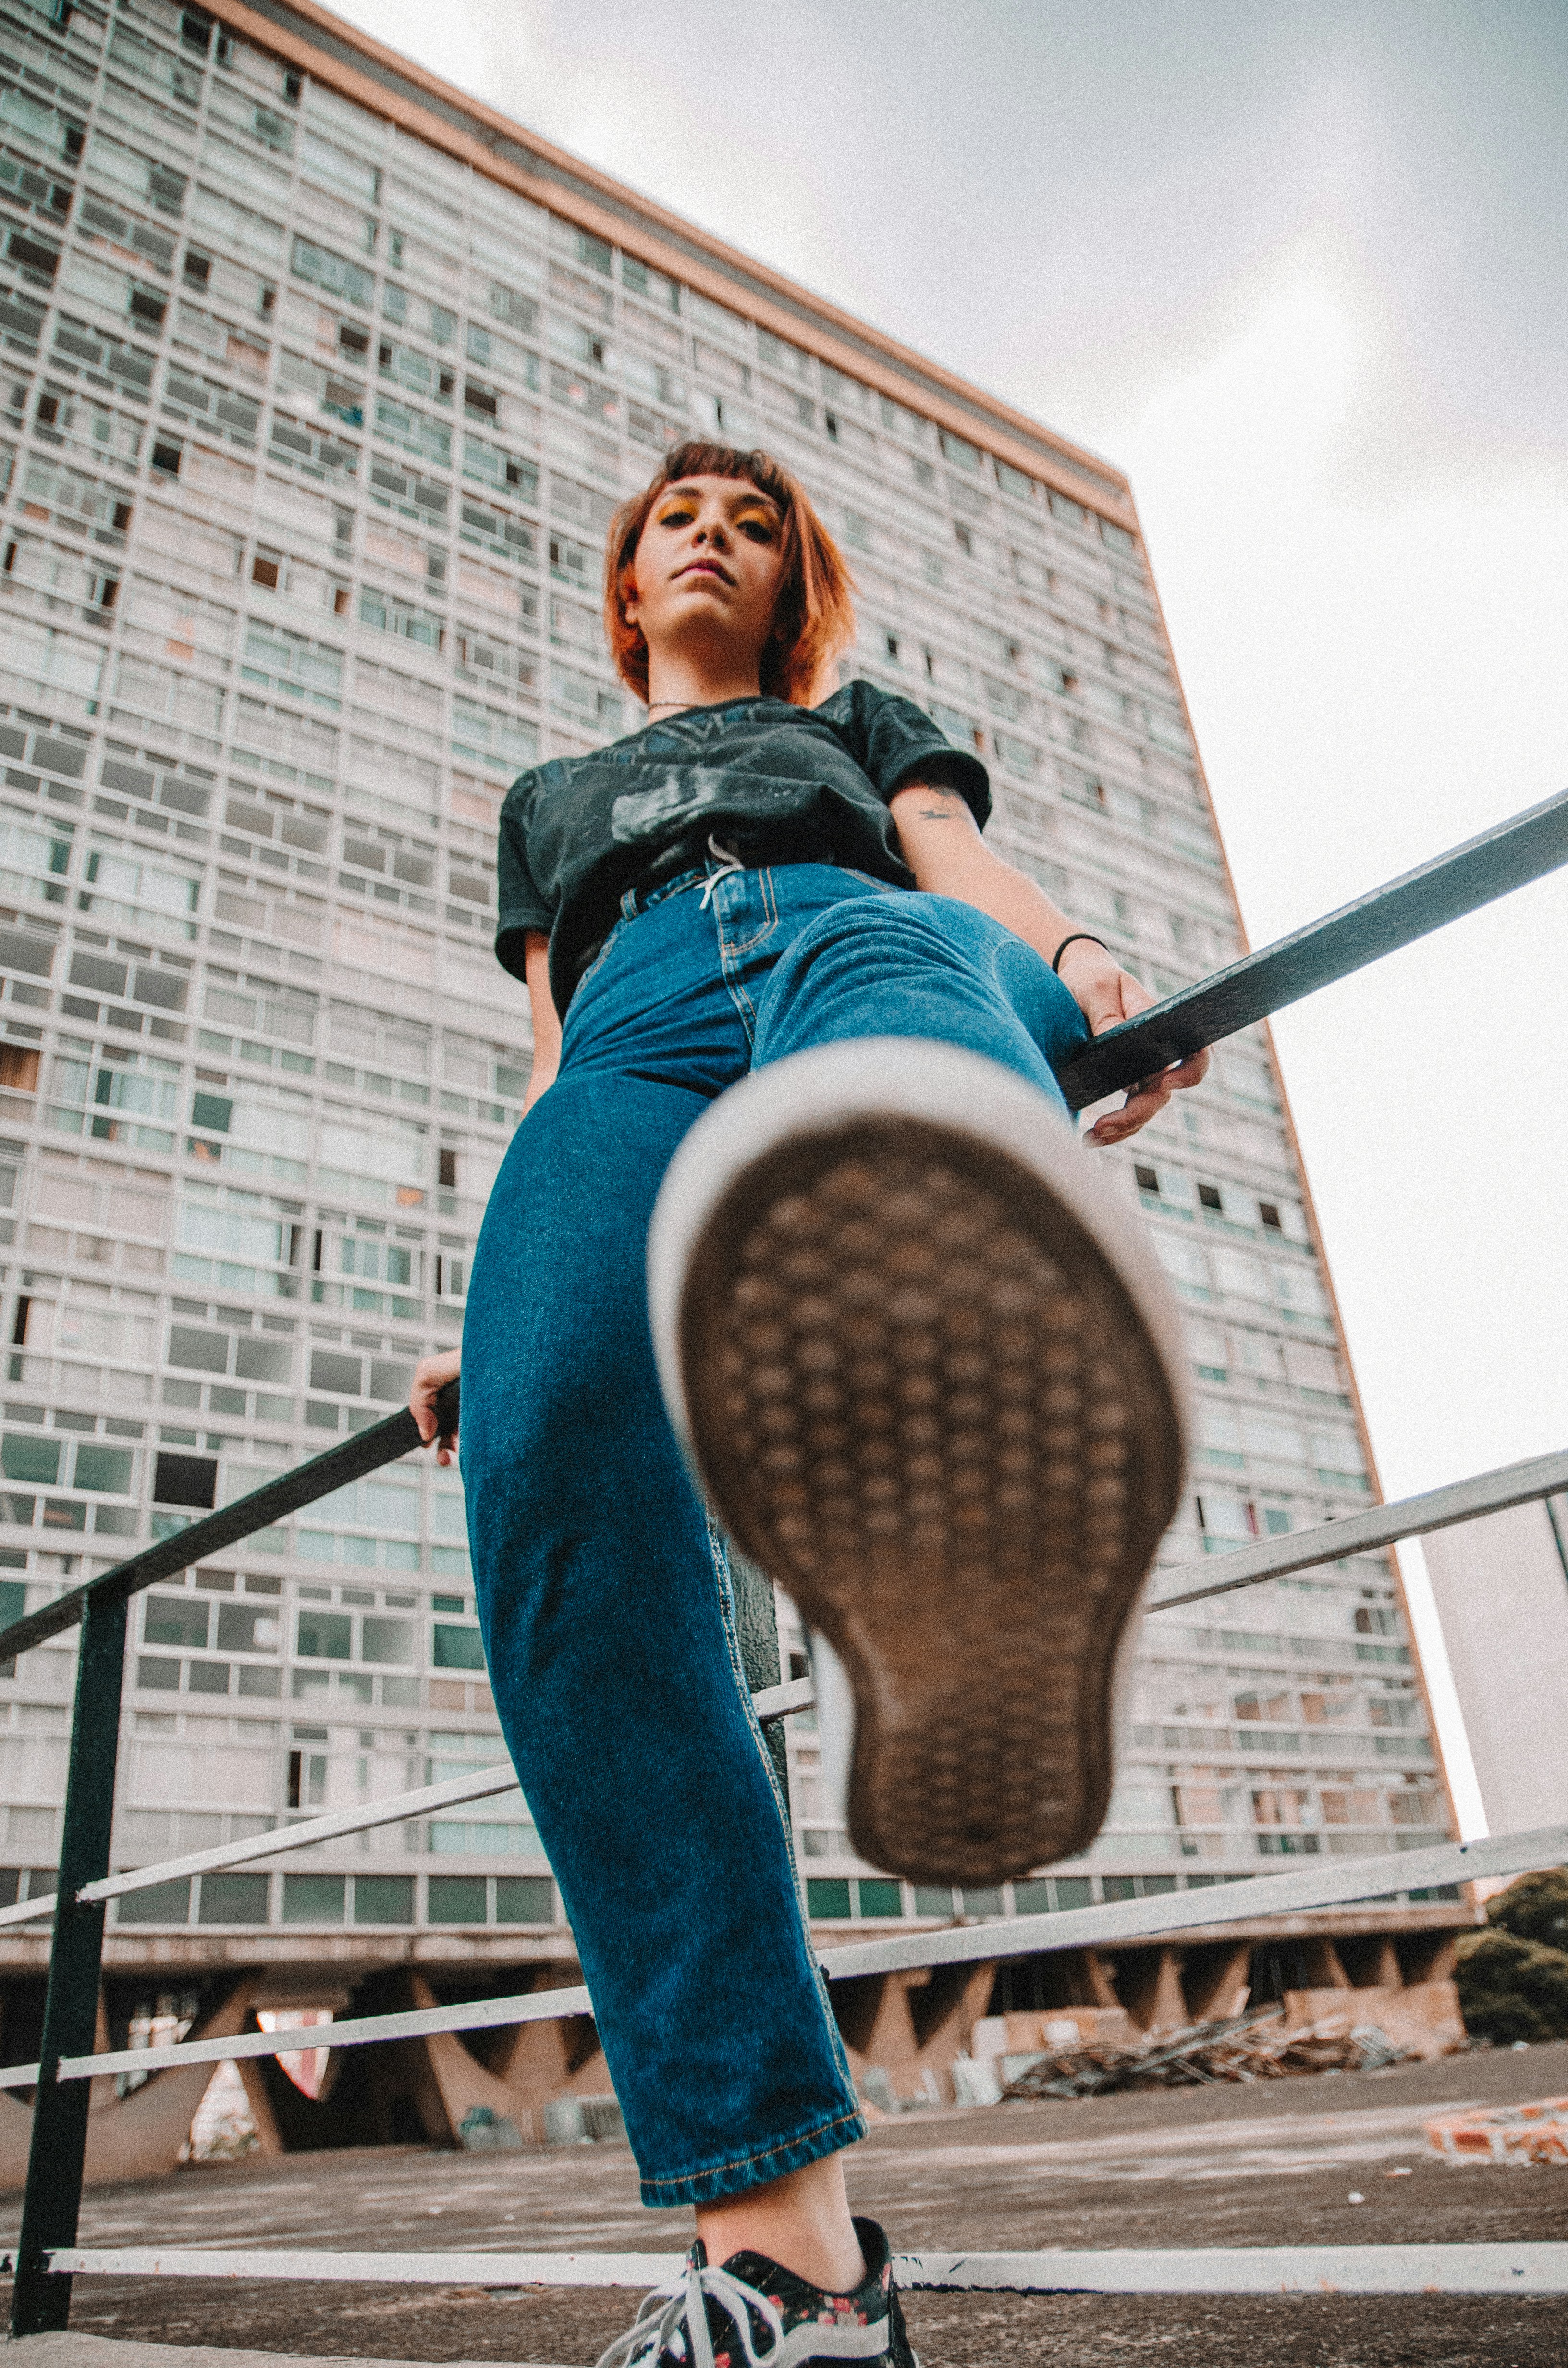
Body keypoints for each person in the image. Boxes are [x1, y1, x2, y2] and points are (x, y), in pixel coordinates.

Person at [409, 440, 1206, 2366]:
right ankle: (795, 2269)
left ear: (793, 585)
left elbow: (953, 865)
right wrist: (506, 1290)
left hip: (865, 940)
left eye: (755, 523)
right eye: (682, 517)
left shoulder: (855, 725)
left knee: (901, 974)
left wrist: (1086, 956)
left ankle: (962, 1441)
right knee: (547, 1458)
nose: (716, 536)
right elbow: (551, 1053)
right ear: (628, 585)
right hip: (635, 1031)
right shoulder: (554, 801)